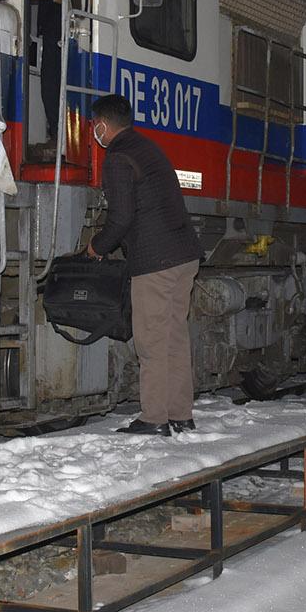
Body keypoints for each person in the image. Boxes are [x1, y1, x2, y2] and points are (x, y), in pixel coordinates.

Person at [85, 94, 204, 436]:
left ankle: (154, 418)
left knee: (151, 341)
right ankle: (181, 414)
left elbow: (121, 218)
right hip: (184, 255)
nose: (95, 132)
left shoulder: (118, 157)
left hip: (156, 261)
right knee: (174, 339)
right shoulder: (147, 147)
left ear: (103, 125)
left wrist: (97, 247)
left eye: (95, 126)